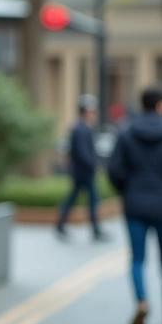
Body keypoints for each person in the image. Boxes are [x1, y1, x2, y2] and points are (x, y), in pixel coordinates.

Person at [106, 85, 162, 324]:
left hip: (135, 204)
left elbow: (113, 169)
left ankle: (142, 302)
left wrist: (126, 190)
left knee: (138, 259)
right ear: (160, 105)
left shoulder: (126, 131)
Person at [55, 94, 107, 241]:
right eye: (92, 111)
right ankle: (95, 230)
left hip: (82, 172)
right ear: (85, 111)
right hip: (83, 172)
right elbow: (82, 152)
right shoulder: (80, 129)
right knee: (91, 200)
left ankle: (62, 225)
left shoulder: (83, 127)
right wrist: (94, 165)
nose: (94, 114)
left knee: (78, 199)